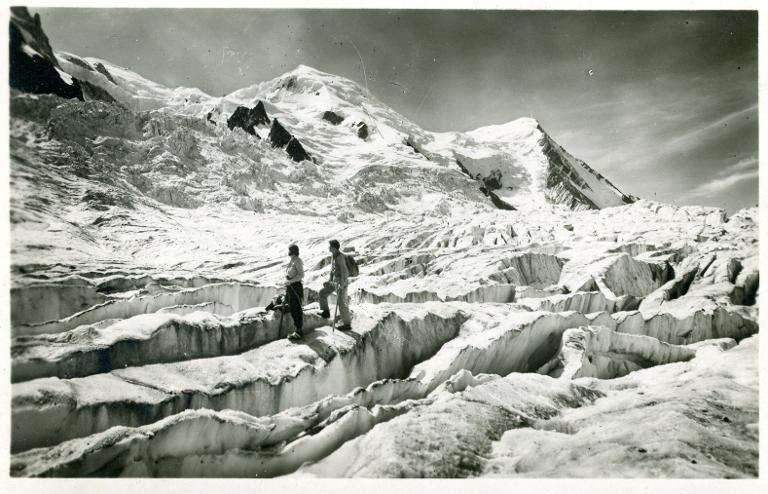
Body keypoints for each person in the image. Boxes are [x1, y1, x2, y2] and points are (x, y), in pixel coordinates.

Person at [319, 239, 352, 330]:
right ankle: (326, 312)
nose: (328, 248)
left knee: (342, 303)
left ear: (333, 247)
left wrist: (343, 284)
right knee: (322, 293)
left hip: (341, 283)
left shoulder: (340, 257)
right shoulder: (334, 255)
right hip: (334, 282)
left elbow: (344, 271)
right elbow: (333, 270)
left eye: (330, 246)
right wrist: (329, 280)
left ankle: (347, 324)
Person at [284, 244, 304, 339]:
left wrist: (291, 281)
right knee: (292, 308)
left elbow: (301, 275)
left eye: (290, 250)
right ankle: (297, 329)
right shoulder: (292, 260)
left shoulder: (298, 261)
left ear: (293, 251)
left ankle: (299, 331)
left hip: (295, 287)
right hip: (291, 287)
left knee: (296, 309)